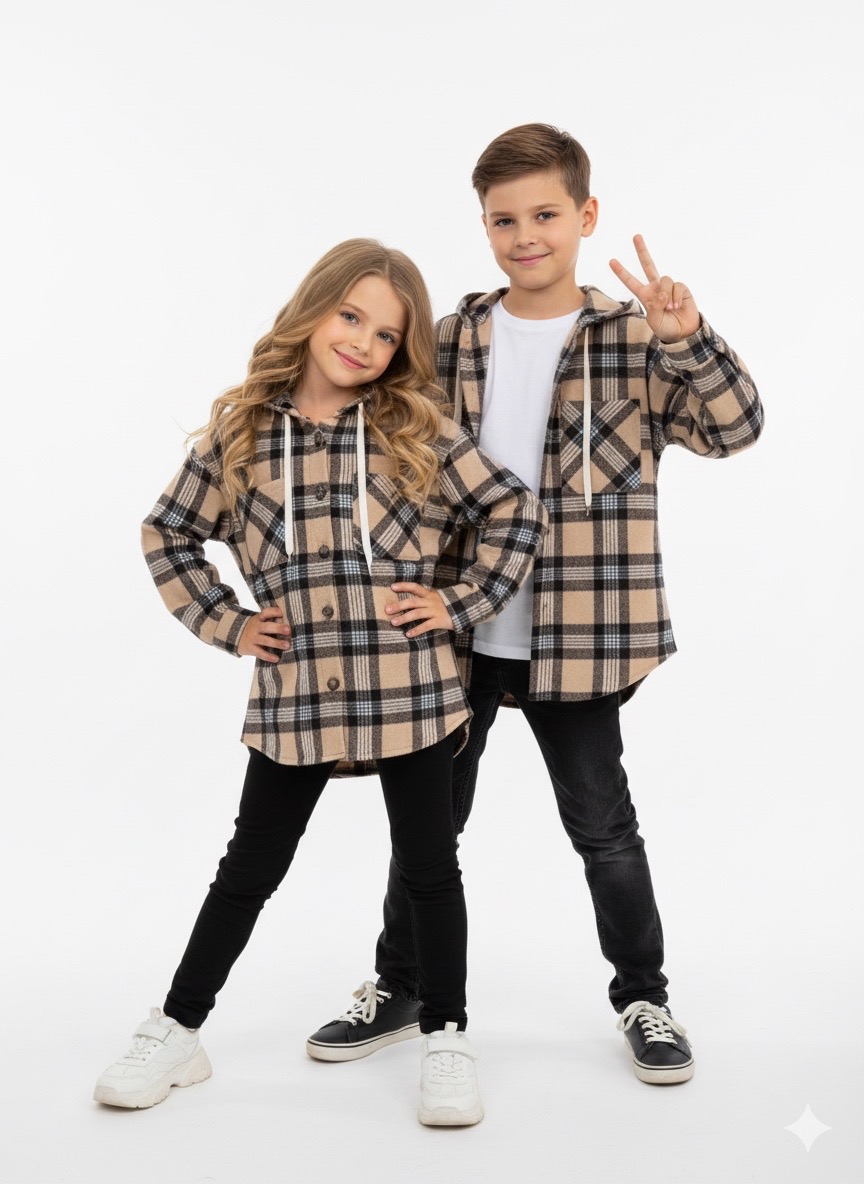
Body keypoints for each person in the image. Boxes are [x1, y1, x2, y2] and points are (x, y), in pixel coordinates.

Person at [306, 126, 764, 1085]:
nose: (525, 236)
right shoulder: (450, 339)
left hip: (584, 635)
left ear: (585, 216)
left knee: (603, 827)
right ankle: (400, 986)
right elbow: (367, 430)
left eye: (546, 215)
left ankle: (643, 996)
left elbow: (734, 430)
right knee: (429, 826)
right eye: (503, 220)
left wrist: (687, 338)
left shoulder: (634, 338)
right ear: (484, 226)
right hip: (453, 629)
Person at [92, 239, 547, 1125]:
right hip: (296, 695)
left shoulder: (413, 429)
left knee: (429, 867)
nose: (363, 344)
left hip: (409, 690)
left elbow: (512, 510)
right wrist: (229, 623)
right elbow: (168, 531)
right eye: (350, 317)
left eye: (386, 335)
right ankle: (177, 1030)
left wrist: (457, 603)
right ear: (313, 310)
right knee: (248, 868)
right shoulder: (240, 435)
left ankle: (446, 1033)